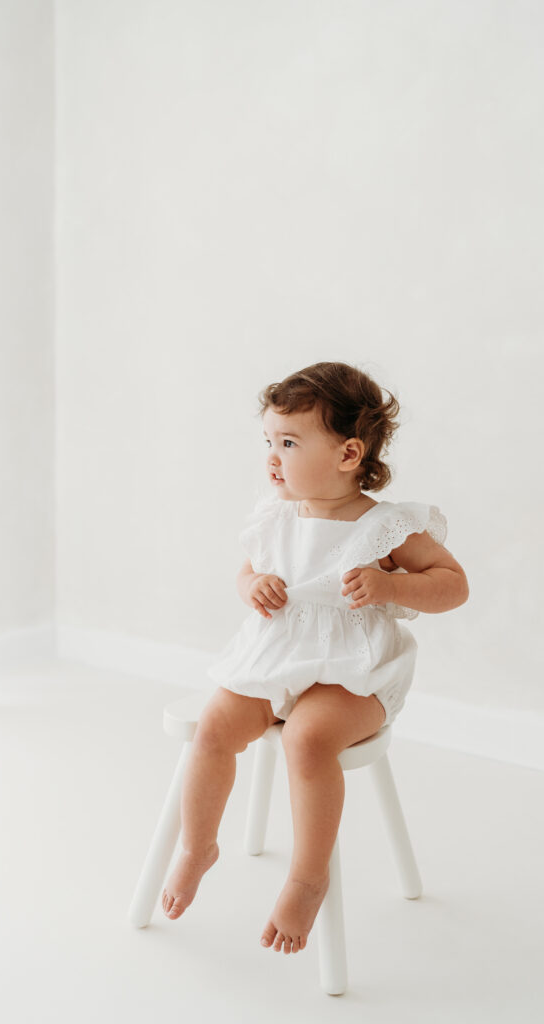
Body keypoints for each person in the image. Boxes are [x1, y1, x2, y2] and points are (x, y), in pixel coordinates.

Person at [161, 360, 469, 955]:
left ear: (349, 454)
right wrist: (251, 585)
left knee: (306, 739)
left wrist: (393, 587)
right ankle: (198, 845)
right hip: (276, 655)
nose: (272, 457)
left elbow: (453, 584)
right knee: (213, 729)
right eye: (269, 442)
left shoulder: (386, 525)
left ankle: (308, 876)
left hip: (351, 670)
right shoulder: (276, 512)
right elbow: (248, 567)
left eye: (290, 442)